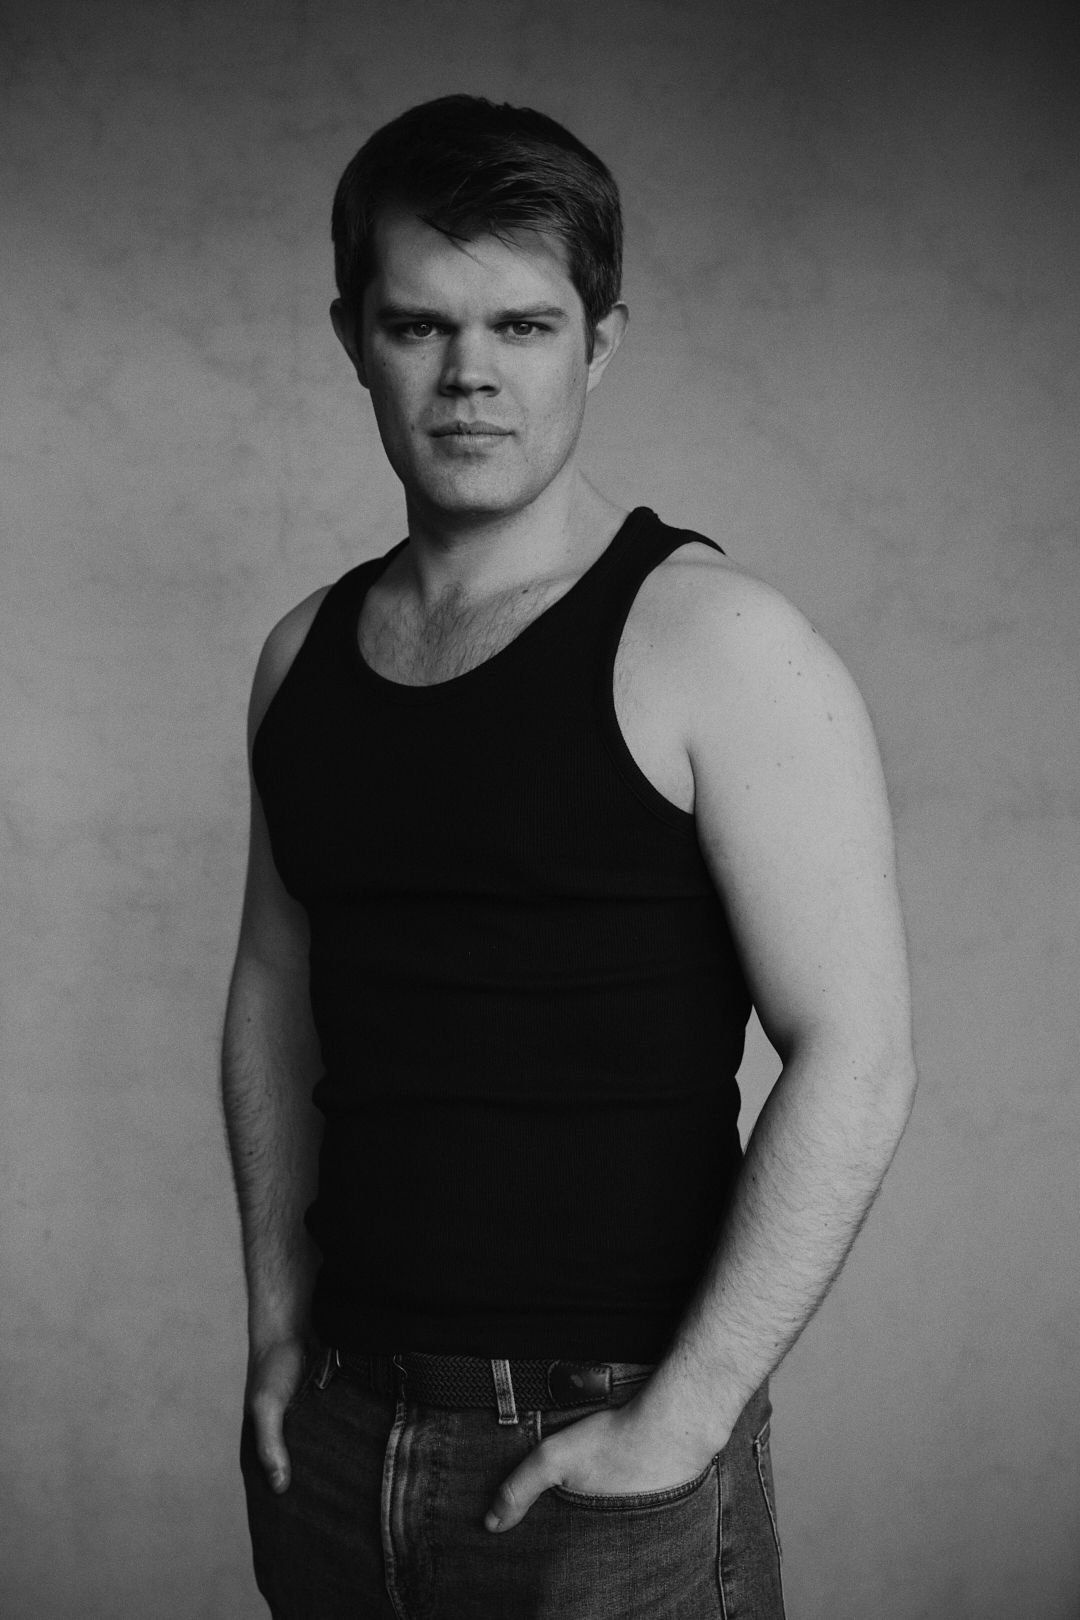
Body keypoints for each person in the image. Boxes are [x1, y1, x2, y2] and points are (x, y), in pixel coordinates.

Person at [222, 94, 916, 1620]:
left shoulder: (719, 642)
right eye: (420, 326)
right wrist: (275, 1324)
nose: (470, 375)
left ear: (600, 343)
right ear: (352, 338)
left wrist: (687, 1416)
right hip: (332, 1428)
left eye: (524, 327)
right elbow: (275, 991)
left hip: (609, 1442)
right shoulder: (298, 656)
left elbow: (857, 1053)